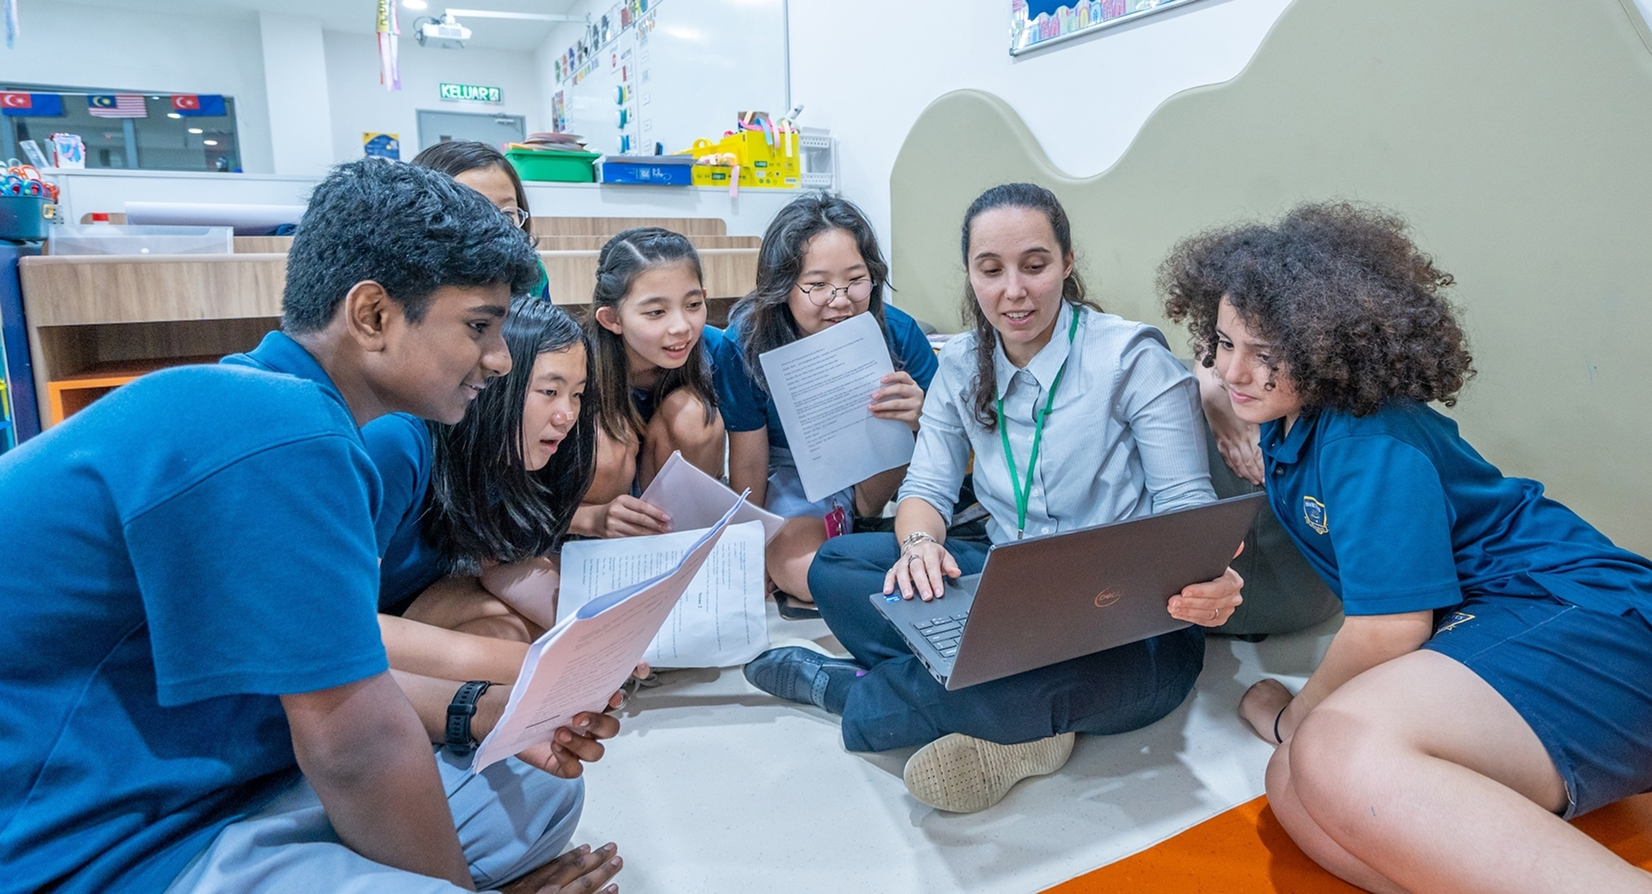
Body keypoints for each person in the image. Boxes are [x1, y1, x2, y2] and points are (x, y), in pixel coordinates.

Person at [0, 159, 620, 893]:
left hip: (210, 784)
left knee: (539, 793)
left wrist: (474, 713)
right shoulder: (283, 432)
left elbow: (330, 675)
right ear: (372, 316)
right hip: (85, 843)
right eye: (479, 326)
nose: (498, 358)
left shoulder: (280, 411)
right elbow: (351, 745)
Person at [1159, 201, 1652, 893]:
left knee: (1321, 747)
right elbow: (1211, 371)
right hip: (1492, 636)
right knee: (1293, 787)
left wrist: (1296, 714)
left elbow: (1390, 629)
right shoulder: (1287, 418)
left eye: (1264, 355)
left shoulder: (1366, 440)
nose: (1236, 370)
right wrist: (1217, 385)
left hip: (1589, 621)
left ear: (1325, 348)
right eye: (1224, 341)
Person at [744, 182, 1245, 814]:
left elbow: (1186, 507)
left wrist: (1209, 578)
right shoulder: (960, 364)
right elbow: (925, 488)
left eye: (1035, 266)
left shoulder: (1131, 360)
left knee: (1076, 677)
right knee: (838, 565)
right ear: (971, 276)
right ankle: (1020, 717)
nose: (1014, 291)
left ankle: (853, 692)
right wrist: (920, 543)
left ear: (1066, 263)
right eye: (991, 270)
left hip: (1126, 622)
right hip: (1011, 597)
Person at [711, 192, 935, 607]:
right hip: (792, 471)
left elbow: (950, 444)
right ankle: (857, 557)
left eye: (856, 280)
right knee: (802, 571)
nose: (841, 299)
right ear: (782, 287)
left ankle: (865, 534)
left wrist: (923, 416)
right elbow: (750, 460)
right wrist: (751, 549)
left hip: (879, 475)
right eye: (817, 286)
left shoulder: (899, 332)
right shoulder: (743, 345)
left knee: (898, 425)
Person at [365, 296, 598, 686]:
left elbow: (503, 564)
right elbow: (329, 621)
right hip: (334, 623)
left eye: (577, 394)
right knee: (523, 662)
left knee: (522, 634)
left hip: (409, 601)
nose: (568, 415)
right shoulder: (397, 442)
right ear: (494, 384)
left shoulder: (504, 453)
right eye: (549, 392)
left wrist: (609, 637)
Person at [571, 226, 725, 539]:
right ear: (612, 319)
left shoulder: (717, 347)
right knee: (607, 438)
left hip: (664, 504)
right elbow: (514, 493)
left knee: (697, 415)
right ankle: (597, 552)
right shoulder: (573, 362)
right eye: (656, 312)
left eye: (693, 305)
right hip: (591, 514)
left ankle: (678, 544)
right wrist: (589, 518)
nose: (681, 327)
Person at [412, 140, 551, 301]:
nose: (496, 226)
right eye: (475, 212)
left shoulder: (531, 272)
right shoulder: (412, 286)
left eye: (506, 214)